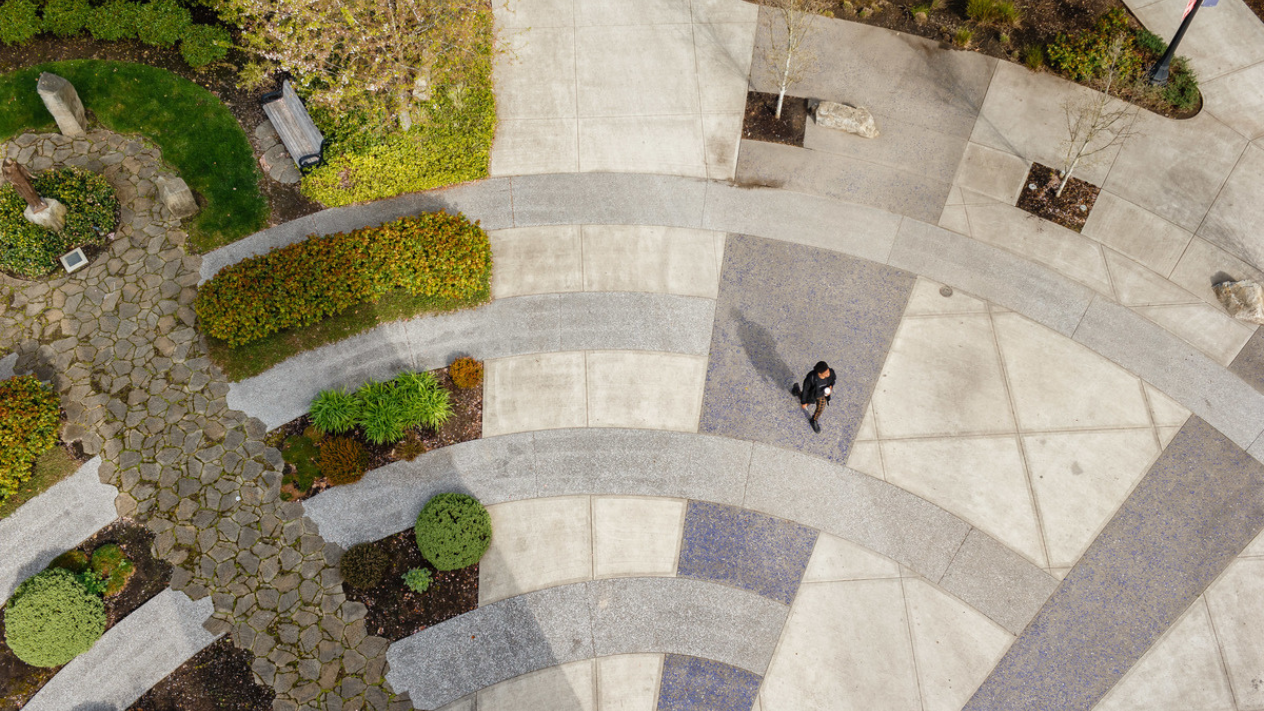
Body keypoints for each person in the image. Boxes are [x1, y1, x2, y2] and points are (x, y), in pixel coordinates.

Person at [791, 361, 836, 433]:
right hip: (812, 395)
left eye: (828, 371)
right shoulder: (811, 377)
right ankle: (796, 390)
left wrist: (830, 387)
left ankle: (814, 420)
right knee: (804, 399)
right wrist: (803, 402)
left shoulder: (831, 373)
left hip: (822, 396)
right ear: (820, 373)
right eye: (826, 373)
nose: (828, 373)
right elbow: (805, 389)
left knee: (820, 408)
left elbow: (832, 380)